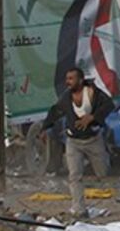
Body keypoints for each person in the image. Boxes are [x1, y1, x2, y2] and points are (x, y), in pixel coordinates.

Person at [39, 68, 115, 218]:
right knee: (74, 176)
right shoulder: (66, 98)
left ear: (80, 80)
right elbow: (55, 111)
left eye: (71, 78)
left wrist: (92, 117)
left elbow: (109, 105)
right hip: (73, 142)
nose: (68, 82)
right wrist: (44, 128)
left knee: (103, 172)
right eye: (67, 78)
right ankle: (79, 209)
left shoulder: (93, 93)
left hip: (93, 140)